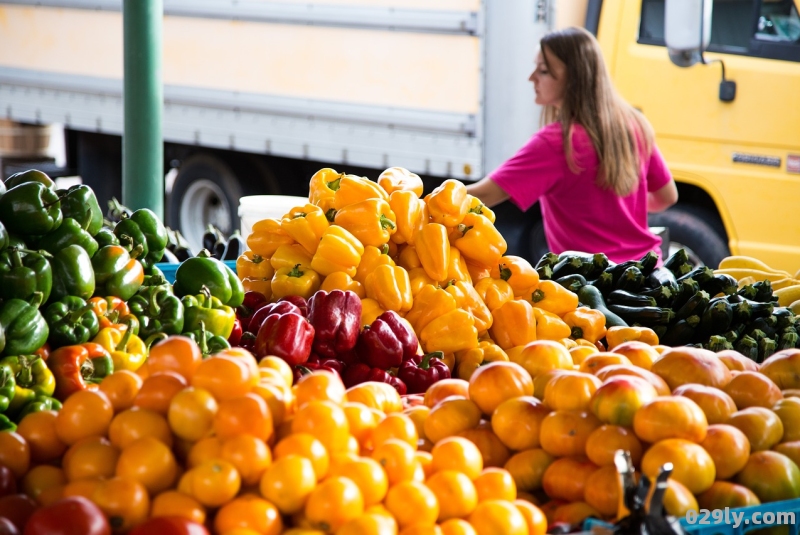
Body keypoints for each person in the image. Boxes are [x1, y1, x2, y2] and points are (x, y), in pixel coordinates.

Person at [466, 27, 678, 264]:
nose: (531, 78)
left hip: (591, 283)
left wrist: (419, 197)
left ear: (574, 80)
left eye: (543, 71)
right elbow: (666, 197)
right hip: (646, 273)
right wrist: (621, 210)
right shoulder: (633, 124)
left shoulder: (556, 143)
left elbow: (483, 195)